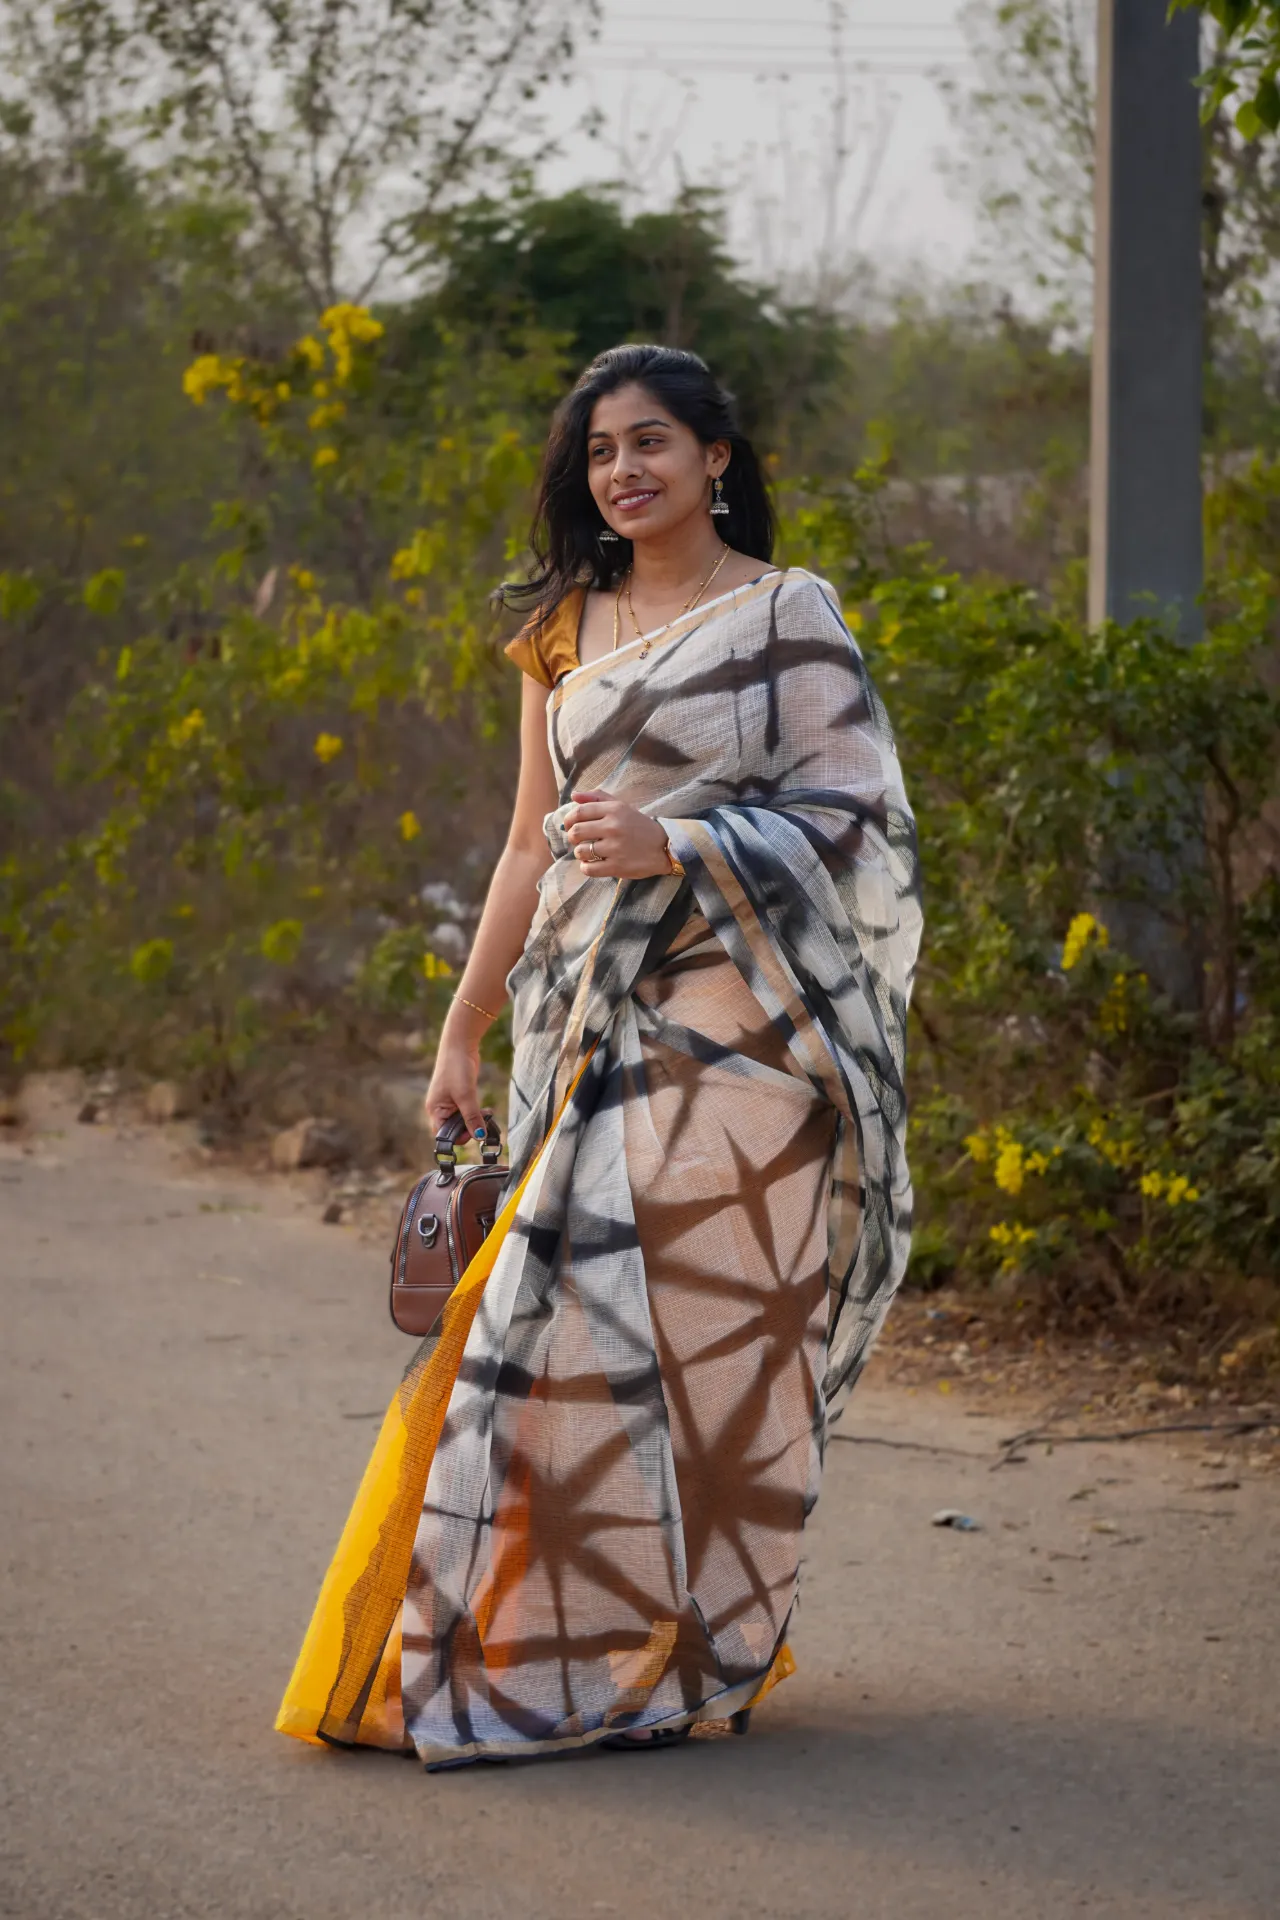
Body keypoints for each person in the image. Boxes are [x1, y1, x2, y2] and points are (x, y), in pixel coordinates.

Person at [276, 344, 923, 1768]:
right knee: (560, 1326)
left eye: (651, 444)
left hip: (753, 1028)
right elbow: (523, 840)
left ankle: (680, 1656)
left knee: (704, 1340)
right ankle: (546, 1644)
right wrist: (461, 1022)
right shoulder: (563, 623)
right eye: (599, 454)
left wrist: (680, 840)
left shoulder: (786, 613)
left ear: (717, 459)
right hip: (587, 1013)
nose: (623, 473)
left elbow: (862, 814)